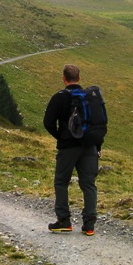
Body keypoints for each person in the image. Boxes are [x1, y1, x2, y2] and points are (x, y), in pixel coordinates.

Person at [43, 64, 104, 236]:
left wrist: (61, 137)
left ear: (63, 78)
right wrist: (97, 145)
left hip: (68, 146)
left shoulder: (59, 97)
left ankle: (64, 221)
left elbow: (48, 122)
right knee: (89, 184)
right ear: (79, 77)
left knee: (61, 182)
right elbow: (97, 123)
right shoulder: (89, 97)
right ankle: (89, 224)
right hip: (90, 145)